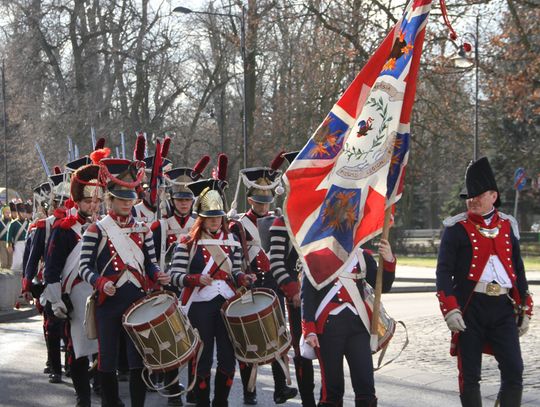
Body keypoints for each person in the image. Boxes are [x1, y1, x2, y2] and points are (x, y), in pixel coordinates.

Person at [435, 157, 533, 407]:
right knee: (469, 375)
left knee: (514, 369)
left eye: (477, 195)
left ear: (493, 195)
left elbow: (518, 270)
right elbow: (444, 272)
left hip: (503, 307)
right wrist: (450, 309)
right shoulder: (455, 228)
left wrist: (526, 309)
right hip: (470, 308)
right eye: (469, 196)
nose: (471, 200)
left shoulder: (508, 225)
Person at [79, 155, 171, 407]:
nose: (127, 205)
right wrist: (99, 283)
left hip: (137, 303)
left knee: (137, 361)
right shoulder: (96, 230)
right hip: (108, 302)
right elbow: (84, 267)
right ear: (110, 199)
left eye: (130, 200)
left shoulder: (143, 229)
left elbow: (150, 263)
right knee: (107, 361)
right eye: (121, 199)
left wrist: (157, 274)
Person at [169, 154, 256, 407]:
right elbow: (175, 277)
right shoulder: (187, 243)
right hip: (199, 305)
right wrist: (194, 278)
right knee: (202, 358)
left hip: (227, 305)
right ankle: (203, 402)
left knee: (229, 359)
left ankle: (221, 402)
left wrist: (243, 277)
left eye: (218, 216)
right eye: (211, 216)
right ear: (202, 217)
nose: (216, 220)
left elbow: (235, 272)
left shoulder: (232, 241)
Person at [228, 152, 297, 405]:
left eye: (267, 201)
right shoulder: (237, 226)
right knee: (250, 338)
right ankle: (249, 390)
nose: (264, 206)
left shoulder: (279, 221)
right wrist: (241, 278)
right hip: (251, 284)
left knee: (277, 334)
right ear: (250, 199)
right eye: (259, 202)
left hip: (275, 284)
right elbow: (234, 257)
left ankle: (280, 387)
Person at [302, 241, 396, 406]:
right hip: (328, 329)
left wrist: (388, 260)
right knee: (332, 390)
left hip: (358, 328)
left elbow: (383, 286)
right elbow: (308, 296)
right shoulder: (315, 256)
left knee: (366, 387)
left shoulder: (362, 256)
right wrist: (309, 329)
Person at [151, 156, 210, 407]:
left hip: (194, 286)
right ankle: (173, 384)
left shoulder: (201, 224)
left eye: (188, 200)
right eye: (180, 200)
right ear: (172, 200)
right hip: (169, 285)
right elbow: (151, 257)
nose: (184, 204)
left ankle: (196, 386)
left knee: (197, 337)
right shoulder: (161, 225)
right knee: (172, 339)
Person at [43, 162, 104, 406]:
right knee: (77, 349)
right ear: (78, 201)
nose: (93, 205)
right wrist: (57, 300)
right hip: (76, 295)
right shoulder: (64, 229)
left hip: (102, 292)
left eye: (97, 201)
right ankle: (83, 397)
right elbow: (52, 268)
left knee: (105, 346)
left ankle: (101, 384)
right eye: (88, 201)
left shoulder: (106, 228)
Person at [270, 151, 317, 407]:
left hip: (326, 291)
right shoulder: (281, 220)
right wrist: (294, 291)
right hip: (299, 296)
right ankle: (308, 400)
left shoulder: (325, 215)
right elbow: (276, 261)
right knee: (302, 352)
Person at [0, 203, 13, 268]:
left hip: (10, 243)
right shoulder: (0, 222)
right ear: (3, 213)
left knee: (10, 263)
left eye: (9, 212)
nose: (8, 214)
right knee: (4, 263)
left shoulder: (12, 222)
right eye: (6, 212)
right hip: (1, 243)